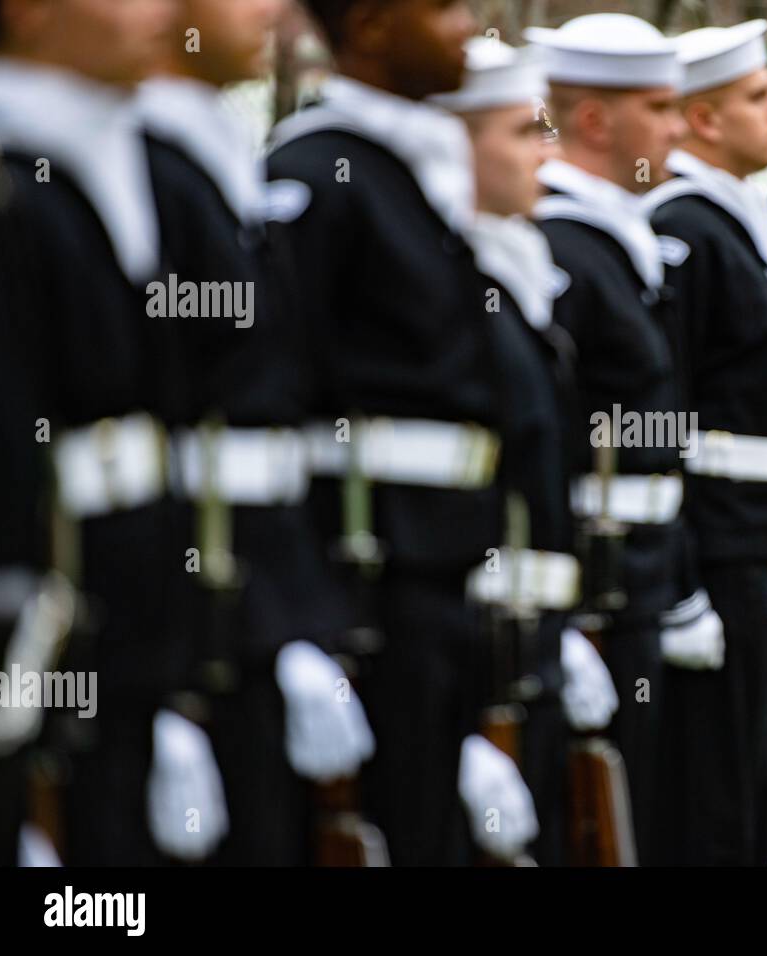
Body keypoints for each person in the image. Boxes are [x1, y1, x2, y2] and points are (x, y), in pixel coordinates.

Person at [269, 0, 534, 865]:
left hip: (438, 571)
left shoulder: (405, 170)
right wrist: (297, 626)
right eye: (444, 7)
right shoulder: (319, 171)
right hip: (363, 585)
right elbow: (269, 406)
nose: (468, 23)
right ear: (373, 26)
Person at [0, 0, 232, 865]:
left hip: (131, 622)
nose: (163, 11)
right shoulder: (14, 173)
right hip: (33, 640)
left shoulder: (140, 164)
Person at [139, 0, 373, 866]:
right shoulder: (130, 165)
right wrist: (148, 688)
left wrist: (295, 626)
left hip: (255, 619)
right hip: (179, 638)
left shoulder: (212, 157)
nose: (272, 9)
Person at [432, 35, 619, 866]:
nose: (546, 151)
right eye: (521, 131)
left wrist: (562, 628)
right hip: (456, 651)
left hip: (529, 640)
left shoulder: (514, 269)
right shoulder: (443, 278)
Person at [646, 20, 767, 866]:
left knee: (755, 791)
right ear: (706, 120)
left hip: (753, 557)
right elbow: (666, 425)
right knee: (713, 806)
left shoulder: (731, 220)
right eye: (759, 99)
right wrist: (685, 586)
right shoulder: (685, 227)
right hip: (713, 564)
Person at [524, 13, 688, 865]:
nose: (677, 125)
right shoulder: (561, 244)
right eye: (660, 108)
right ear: (595, 123)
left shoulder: (619, 239)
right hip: (596, 584)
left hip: (644, 575)